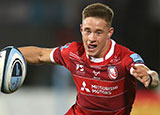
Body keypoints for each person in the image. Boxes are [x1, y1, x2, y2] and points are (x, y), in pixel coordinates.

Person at [18, 3, 159, 115]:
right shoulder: (73, 52)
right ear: (81, 29)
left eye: (98, 32)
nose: (91, 38)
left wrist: (150, 78)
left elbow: (151, 75)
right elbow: (41, 54)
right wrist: (11, 53)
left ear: (109, 33)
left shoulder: (124, 57)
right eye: (87, 31)